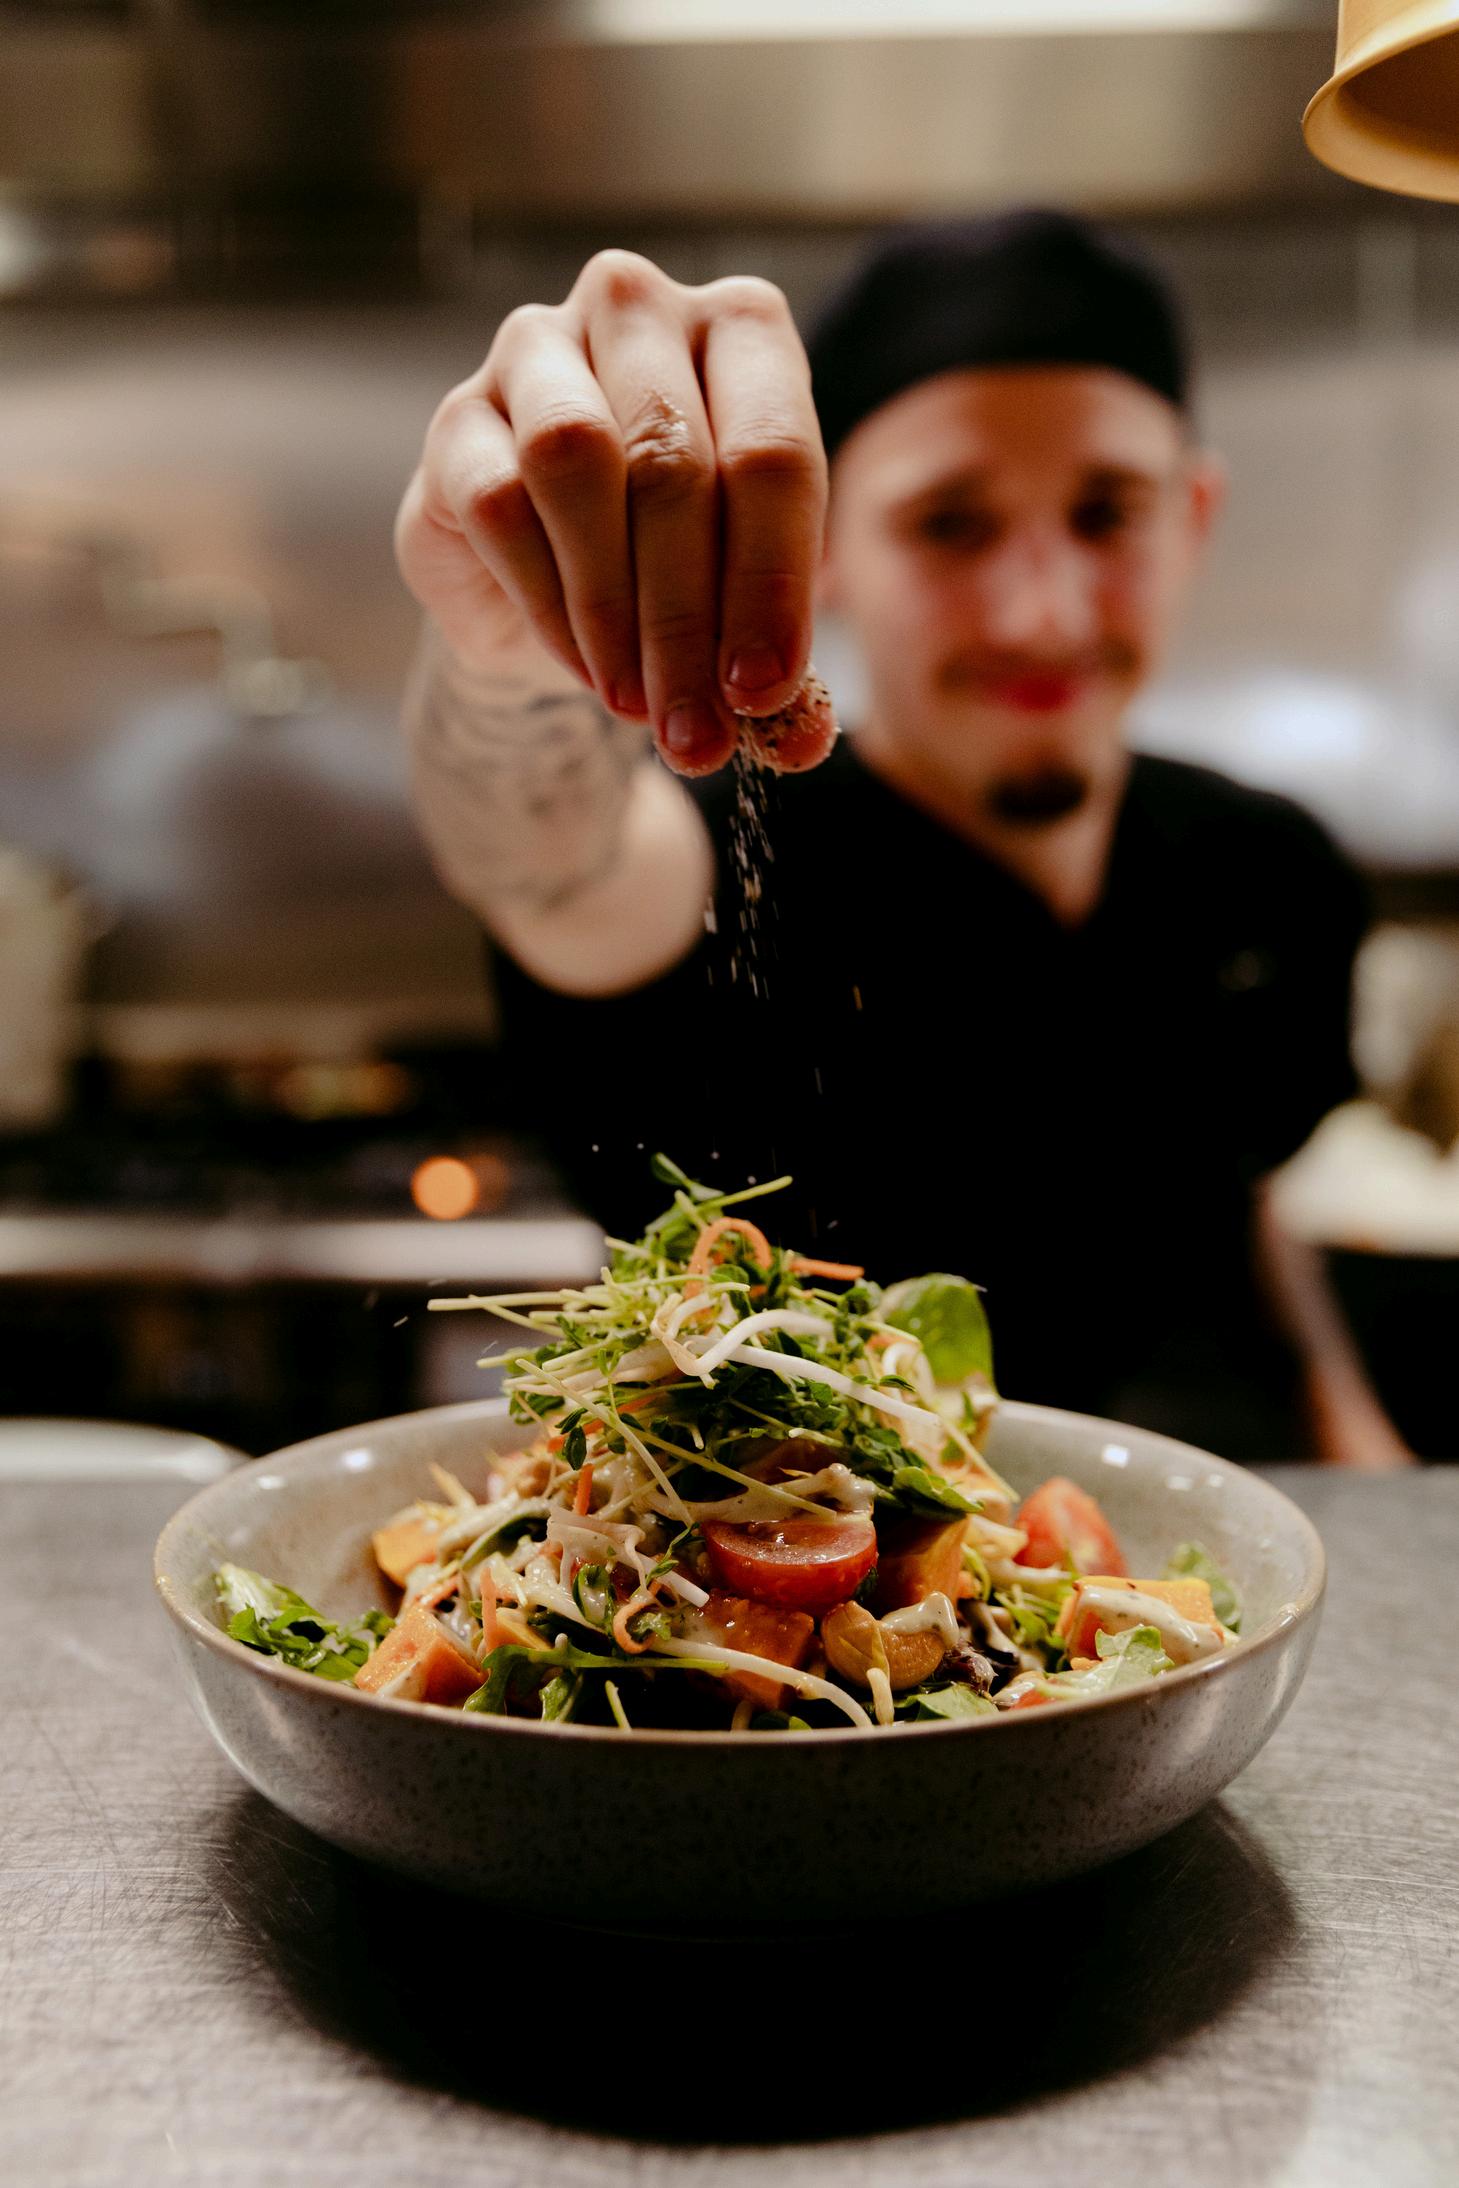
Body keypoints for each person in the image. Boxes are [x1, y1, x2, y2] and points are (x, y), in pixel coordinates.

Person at [395, 210, 1412, 1467]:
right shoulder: (721, 861)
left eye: (1105, 514)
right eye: (950, 524)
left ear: (1193, 518)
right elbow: (548, 865)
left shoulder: (1268, 872)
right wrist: (505, 657)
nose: (1041, 612)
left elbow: (1232, 1192)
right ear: (821, 549)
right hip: (782, 1554)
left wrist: (1353, 1432)